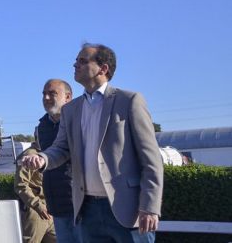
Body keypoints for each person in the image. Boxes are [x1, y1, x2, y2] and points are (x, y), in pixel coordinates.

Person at [22, 43, 163, 243]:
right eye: (76, 61)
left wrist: (150, 207)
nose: (75, 65)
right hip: (87, 211)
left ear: (103, 69)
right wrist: (43, 159)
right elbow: (61, 148)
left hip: (127, 210)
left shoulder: (129, 101)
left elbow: (151, 160)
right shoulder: (71, 110)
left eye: (82, 60)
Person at [36, 79, 81, 243]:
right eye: (44, 94)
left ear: (68, 97)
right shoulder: (42, 127)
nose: (46, 98)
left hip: (80, 204)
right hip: (56, 205)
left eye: (52, 93)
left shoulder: (80, 120)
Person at [15, 144, 57, 243]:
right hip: (35, 211)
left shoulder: (49, 154)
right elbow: (20, 185)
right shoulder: (29, 155)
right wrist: (37, 205)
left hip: (51, 210)